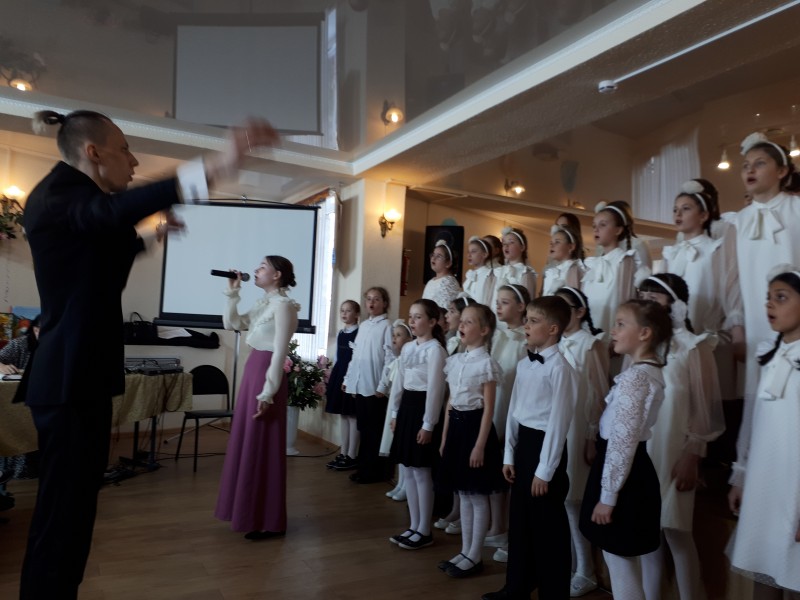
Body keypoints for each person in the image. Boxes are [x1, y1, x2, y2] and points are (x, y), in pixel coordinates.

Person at [19, 108, 278, 599]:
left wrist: (150, 238)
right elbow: (107, 216)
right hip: (70, 379)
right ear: (93, 152)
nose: (134, 161)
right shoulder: (60, 195)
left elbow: (97, 251)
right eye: (124, 149)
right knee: (63, 516)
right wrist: (215, 165)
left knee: (73, 512)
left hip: (78, 377)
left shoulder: (71, 202)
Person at [482, 296, 578, 600]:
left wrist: (545, 471)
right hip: (523, 445)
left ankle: (553, 593)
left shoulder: (561, 369)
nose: (526, 325)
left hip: (545, 450)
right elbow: (514, 411)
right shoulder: (525, 365)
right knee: (520, 522)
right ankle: (517, 587)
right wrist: (509, 455)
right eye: (527, 320)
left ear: (553, 329)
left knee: (548, 528)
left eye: (533, 321)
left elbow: (559, 423)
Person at [637, 275, 725, 600]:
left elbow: (704, 411)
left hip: (675, 450)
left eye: (655, 295)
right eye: (643, 294)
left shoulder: (693, 346)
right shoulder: (643, 345)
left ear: (674, 302)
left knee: (676, 532)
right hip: (645, 450)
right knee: (647, 534)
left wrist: (692, 456)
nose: (646, 299)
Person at [579, 300, 672, 600]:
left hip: (623, 475)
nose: (613, 330)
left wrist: (608, 496)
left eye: (621, 324)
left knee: (619, 563)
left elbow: (623, 441)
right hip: (626, 469)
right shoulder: (643, 372)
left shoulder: (637, 377)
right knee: (619, 560)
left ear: (644, 333)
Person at [214, 255, 299, 540]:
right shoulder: (265, 303)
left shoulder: (284, 306)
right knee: (249, 442)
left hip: (266, 376)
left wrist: (268, 391)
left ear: (277, 275)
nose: (255, 270)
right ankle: (249, 514)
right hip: (254, 371)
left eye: (262, 267)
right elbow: (232, 323)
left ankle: (270, 521)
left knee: (262, 445)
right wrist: (232, 292)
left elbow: (280, 352)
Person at [728, 266, 800, 598]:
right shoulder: (768, 353)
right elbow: (753, 421)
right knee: (762, 565)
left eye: (781, 297)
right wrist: (741, 475)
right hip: (765, 481)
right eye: (768, 298)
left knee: (794, 570)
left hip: (794, 486)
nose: (769, 304)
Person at [732, 133, 800, 480]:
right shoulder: (739, 221)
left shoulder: (796, 209)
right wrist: (738, 326)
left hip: (795, 322)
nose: (750, 170)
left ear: (783, 170)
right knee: (758, 393)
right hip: (759, 322)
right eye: (746, 165)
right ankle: (752, 471)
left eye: (760, 163)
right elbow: (735, 280)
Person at [661, 179, 744, 404]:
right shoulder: (671, 253)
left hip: (707, 333)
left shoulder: (715, 249)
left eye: (686, 209)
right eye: (675, 210)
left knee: (707, 398)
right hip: (675, 339)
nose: (678, 214)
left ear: (704, 215)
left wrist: (736, 329)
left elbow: (730, 288)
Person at [438, 303, 506, 578]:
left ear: (485, 330)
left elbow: (488, 409)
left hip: (475, 430)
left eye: (469, 322)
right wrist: (444, 437)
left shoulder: (486, 364)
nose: (462, 326)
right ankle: (465, 550)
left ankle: (475, 555)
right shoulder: (455, 360)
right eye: (462, 321)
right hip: (456, 429)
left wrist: (479, 445)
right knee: (463, 494)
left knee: (476, 496)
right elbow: (451, 402)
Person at [554, 286, 608, 597]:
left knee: (573, 498)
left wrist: (591, 436)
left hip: (578, 426)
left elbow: (600, 395)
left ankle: (586, 570)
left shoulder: (590, 344)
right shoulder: (555, 342)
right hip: (556, 424)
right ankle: (570, 563)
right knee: (560, 497)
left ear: (580, 311)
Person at [389, 299, 448, 550]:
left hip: (423, 411)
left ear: (432, 322)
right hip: (407, 409)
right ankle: (413, 525)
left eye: (418, 317)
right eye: (411, 317)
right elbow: (399, 382)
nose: (412, 321)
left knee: (422, 472)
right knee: (409, 470)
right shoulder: (408, 348)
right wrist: (394, 412)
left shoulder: (436, 350)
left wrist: (428, 424)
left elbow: (436, 390)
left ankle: (424, 529)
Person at [486, 283, 530, 561]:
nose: (498, 306)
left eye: (505, 302)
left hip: (514, 409)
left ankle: (511, 532)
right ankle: (496, 525)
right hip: (495, 405)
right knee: (494, 468)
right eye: (498, 302)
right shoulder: (498, 335)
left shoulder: (526, 340)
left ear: (521, 306)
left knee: (510, 471)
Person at [343, 287, 394, 484]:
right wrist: (349, 380)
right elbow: (356, 355)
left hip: (375, 386)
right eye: (369, 299)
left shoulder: (387, 326)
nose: (372, 303)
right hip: (360, 384)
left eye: (377, 299)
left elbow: (390, 358)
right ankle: (363, 468)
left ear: (385, 303)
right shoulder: (363, 326)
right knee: (363, 428)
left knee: (374, 430)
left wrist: (383, 385)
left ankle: (374, 472)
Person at [582, 200, 639, 334]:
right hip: (588, 331)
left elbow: (626, 302)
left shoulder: (624, 260)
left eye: (602, 225)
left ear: (618, 230)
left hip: (611, 330)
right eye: (594, 225)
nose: (596, 229)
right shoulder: (592, 264)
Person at [0, 317, 41, 485]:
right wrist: (2, 366)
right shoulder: (20, 344)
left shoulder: (58, 345)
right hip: (15, 400)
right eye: (38, 330)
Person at [378, 319, 414, 501]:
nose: (394, 339)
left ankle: (407, 486)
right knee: (397, 446)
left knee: (403, 447)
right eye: (393, 335)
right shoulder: (396, 361)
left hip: (402, 408)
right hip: (394, 407)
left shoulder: (407, 361)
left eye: (399, 335)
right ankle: (400, 483)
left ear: (409, 339)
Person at [325, 300, 361, 471]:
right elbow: (339, 357)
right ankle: (343, 452)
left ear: (357, 314)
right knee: (343, 415)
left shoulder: (359, 333)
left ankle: (352, 455)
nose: (344, 314)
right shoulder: (341, 333)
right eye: (342, 310)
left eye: (348, 311)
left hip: (351, 376)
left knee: (352, 415)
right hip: (340, 375)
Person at [492, 227, 537, 310]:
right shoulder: (498, 271)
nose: (506, 246)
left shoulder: (525, 273)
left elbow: (528, 303)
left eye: (511, 242)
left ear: (522, 247)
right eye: (504, 243)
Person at [541, 224, 584, 296]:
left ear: (571, 247)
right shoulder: (551, 270)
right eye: (551, 243)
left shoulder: (572, 269)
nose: (552, 245)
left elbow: (573, 298)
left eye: (557, 242)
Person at [423, 239, 463, 313]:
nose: (433, 258)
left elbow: (444, 310)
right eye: (433, 255)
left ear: (448, 263)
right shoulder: (431, 281)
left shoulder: (448, 282)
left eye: (439, 256)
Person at [463, 236, 496, 306]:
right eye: (468, 252)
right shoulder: (470, 274)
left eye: (473, 251)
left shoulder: (489, 274)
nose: (469, 255)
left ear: (485, 254)